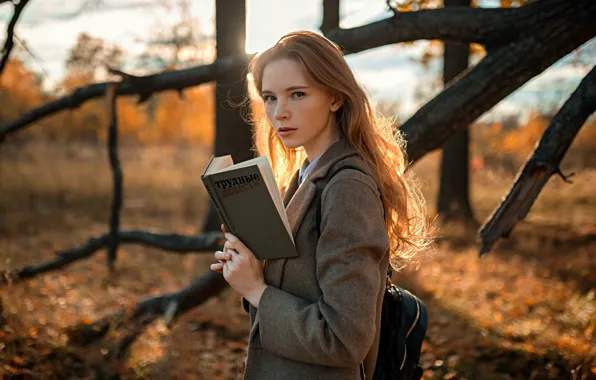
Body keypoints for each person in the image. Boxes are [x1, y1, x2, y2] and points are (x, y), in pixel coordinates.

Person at [210, 30, 432, 380]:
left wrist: (256, 289)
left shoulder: (347, 187)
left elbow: (344, 338)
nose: (279, 112)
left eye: (297, 94)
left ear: (334, 97)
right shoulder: (304, 177)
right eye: (269, 97)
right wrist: (250, 267)